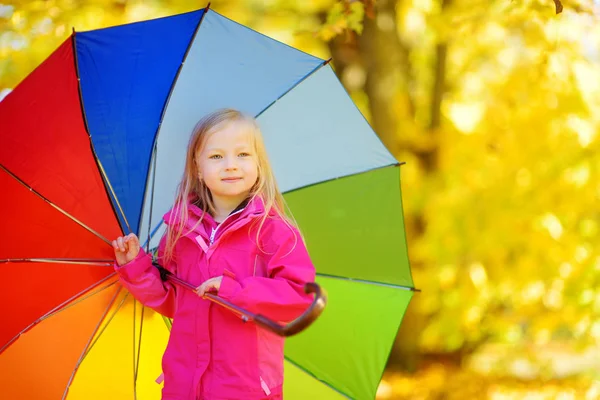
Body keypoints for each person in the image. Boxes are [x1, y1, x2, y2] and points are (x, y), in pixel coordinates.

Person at [112, 108, 316, 400]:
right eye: (217, 156)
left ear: (259, 163)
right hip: (185, 383)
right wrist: (135, 268)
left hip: (245, 387)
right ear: (197, 168)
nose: (231, 165)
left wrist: (234, 291)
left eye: (243, 155)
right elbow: (175, 300)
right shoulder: (181, 232)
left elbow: (300, 297)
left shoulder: (273, 232)